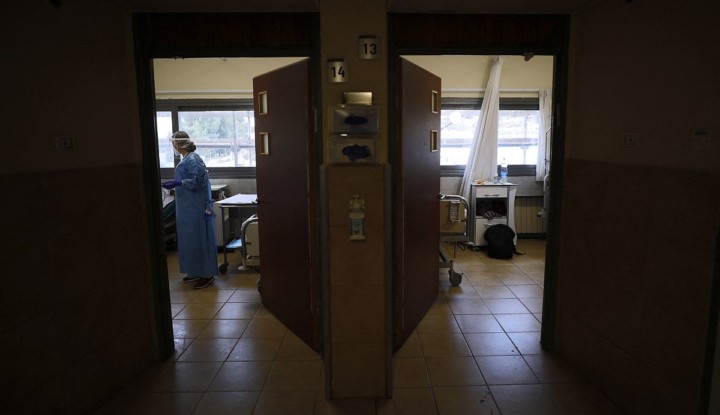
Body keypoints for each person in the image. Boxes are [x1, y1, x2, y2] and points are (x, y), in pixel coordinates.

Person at [162, 131, 218, 289]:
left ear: (178, 143)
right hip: (188, 207)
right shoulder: (186, 159)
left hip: (197, 207)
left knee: (200, 238)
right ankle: (196, 270)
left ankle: (207, 274)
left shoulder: (193, 159)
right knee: (190, 239)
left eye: (173, 143)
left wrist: (179, 183)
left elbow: (198, 181)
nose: (173, 146)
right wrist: (176, 186)